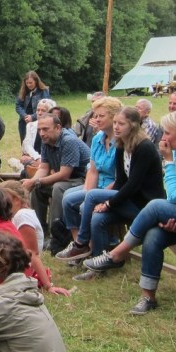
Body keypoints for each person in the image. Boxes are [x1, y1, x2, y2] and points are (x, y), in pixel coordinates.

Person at [83, 109, 176, 315]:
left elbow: (173, 196)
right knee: (154, 235)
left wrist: (169, 162)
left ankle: (116, 254)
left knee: (156, 205)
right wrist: (173, 216)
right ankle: (148, 297)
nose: (163, 137)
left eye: (167, 133)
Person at [56, 107, 165, 282]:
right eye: (115, 123)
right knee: (97, 218)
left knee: (92, 196)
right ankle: (97, 266)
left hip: (145, 205)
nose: (116, 127)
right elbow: (121, 181)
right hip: (129, 200)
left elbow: (133, 185)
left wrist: (109, 203)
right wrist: (108, 202)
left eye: (121, 124)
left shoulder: (144, 147)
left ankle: (81, 243)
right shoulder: (121, 145)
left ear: (134, 125)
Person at [57, 96, 121, 255]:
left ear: (114, 117)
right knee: (68, 198)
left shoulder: (122, 141)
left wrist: (93, 197)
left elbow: (121, 178)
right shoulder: (98, 138)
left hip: (114, 188)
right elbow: (93, 170)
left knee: (84, 205)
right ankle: (78, 244)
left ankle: (91, 246)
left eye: (101, 116)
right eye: (95, 115)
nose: (96, 119)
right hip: (97, 185)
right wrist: (88, 192)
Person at [23, 114, 89, 242]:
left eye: (45, 129)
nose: (41, 133)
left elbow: (64, 174)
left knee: (58, 187)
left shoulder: (68, 141)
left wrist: (36, 181)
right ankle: (40, 231)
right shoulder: (46, 141)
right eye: (39, 130)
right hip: (68, 179)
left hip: (84, 180)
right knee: (37, 188)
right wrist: (32, 181)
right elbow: (44, 168)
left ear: (58, 127)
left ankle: (56, 235)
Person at [1, 181, 70, 296]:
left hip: (23, 270)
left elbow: (32, 253)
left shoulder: (22, 215)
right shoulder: (17, 215)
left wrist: (48, 286)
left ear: (16, 199)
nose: (0, 203)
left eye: (3, 199)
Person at [20, 98, 56, 173]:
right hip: (35, 158)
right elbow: (28, 145)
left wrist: (42, 161)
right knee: (24, 162)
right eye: (38, 110)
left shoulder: (54, 127)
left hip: (50, 159)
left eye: (43, 110)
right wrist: (38, 158)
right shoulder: (30, 125)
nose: (39, 113)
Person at [14, 71, 50, 144]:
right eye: (27, 83)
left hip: (38, 121)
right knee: (25, 143)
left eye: (31, 83)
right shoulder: (23, 91)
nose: (29, 85)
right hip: (24, 122)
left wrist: (32, 117)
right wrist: (25, 116)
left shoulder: (43, 91)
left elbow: (46, 108)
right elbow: (18, 105)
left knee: (36, 144)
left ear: (36, 81)